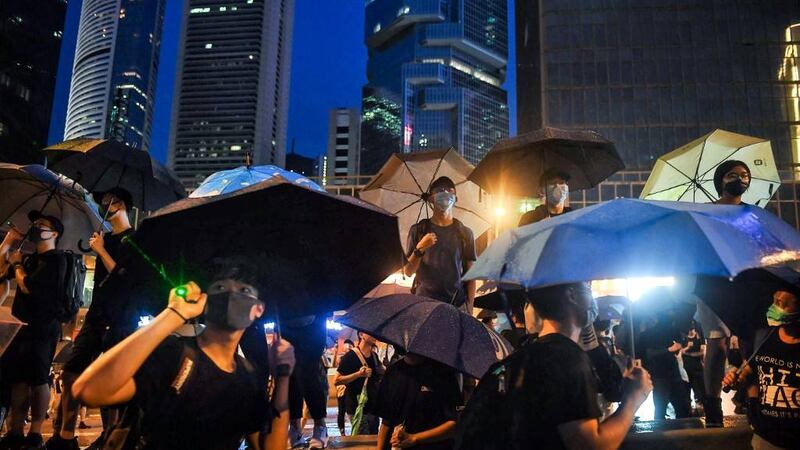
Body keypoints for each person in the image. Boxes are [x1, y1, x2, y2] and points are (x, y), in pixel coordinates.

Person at [70, 263, 296, 450]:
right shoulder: (173, 355)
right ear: (206, 302)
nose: (230, 295)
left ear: (259, 309)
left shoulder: (248, 377)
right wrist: (174, 314)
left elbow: (271, 447)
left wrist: (283, 379)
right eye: (220, 287)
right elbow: (88, 391)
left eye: (244, 290)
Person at [456, 282, 652, 450]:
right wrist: (634, 398)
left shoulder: (521, 356)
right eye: (587, 287)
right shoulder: (566, 357)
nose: (591, 297)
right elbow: (590, 445)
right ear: (572, 295)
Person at [47, 188, 135, 450]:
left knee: (112, 377)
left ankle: (110, 436)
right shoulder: (104, 238)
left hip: (120, 318)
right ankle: (65, 434)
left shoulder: (134, 239)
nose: (107, 207)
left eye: (113, 202)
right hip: (96, 315)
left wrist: (102, 250)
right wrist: (99, 245)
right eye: (104, 204)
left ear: (125, 206)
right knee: (72, 369)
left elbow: (127, 278)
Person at [0, 212, 69, 450]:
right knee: (17, 380)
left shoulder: (57, 260)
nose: (37, 227)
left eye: (43, 225)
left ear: (55, 233)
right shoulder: (29, 258)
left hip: (42, 328)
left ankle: (36, 432)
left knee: (38, 380)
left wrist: (17, 263)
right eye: (36, 224)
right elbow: (1, 273)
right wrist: (8, 241)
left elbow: (28, 287)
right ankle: (15, 430)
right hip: (21, 327)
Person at [723, 287, 800, 450]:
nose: (774, 308)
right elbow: (751, 369)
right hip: (766, 438)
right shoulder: (765, 337)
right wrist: (737, 378)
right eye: (774, 301)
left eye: (781, 303)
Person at [404, 176, 477, 314]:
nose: (445, 195)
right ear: (431, 199)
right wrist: (420, 248)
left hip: (456, 304)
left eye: (450, 191)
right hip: (424, 305)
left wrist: (469, 308)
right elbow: (408, 271)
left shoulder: (465, 233)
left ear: (455, 199)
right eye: (439, 191)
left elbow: (471, 276)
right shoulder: (418, 230)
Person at [374, 354, 460, 450]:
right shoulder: (393, 371)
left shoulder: (443, 374)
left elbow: (454, 425)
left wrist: (415, 438)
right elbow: (386, 421)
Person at [283, 315, 330, 449]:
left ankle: (320, 425)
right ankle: (295, 427)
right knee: (290, 373)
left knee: (308, 371)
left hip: (314, 320)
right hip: (287, 319)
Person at [639, 313, 691, 420]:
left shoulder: (669, 329)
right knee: (661, 407)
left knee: (682, 405)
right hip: (659, 374)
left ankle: (682, 431)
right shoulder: (646, 335)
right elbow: (648, 354)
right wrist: (669, 350)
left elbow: (681, 341)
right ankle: (660, 432)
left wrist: (679, 344)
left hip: (671, 372)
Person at [334, 332, 383, 435]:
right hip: (357, 408)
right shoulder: (350, 356)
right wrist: (358, 374)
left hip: (373, 408)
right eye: (370, 333)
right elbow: (337, 380)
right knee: (363, 441)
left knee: (374, 441)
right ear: (361, 335)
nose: (374, 335)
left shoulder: (374, 356)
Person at [681, 321, 706, 413]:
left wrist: (689, 354)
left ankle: (700, 407)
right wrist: (687, 348)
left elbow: (702, 352)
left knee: (699, 389)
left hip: (697, 367)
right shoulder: (684, 338)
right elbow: (680, 352)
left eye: (692, 329)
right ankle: (688, 409)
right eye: (689, 330)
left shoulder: (699, 337)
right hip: (686, 367)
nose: (691, 332)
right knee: (687, 389)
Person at [336, 339, 354, 436]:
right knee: (342, 410)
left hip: (350, 388)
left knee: (350, 410)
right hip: (342, 389)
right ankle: (342, 430)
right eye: (346, 347)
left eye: (350, 347)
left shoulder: (353, 358)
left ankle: (352, 428)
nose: (348, 349)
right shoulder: (342, 359)